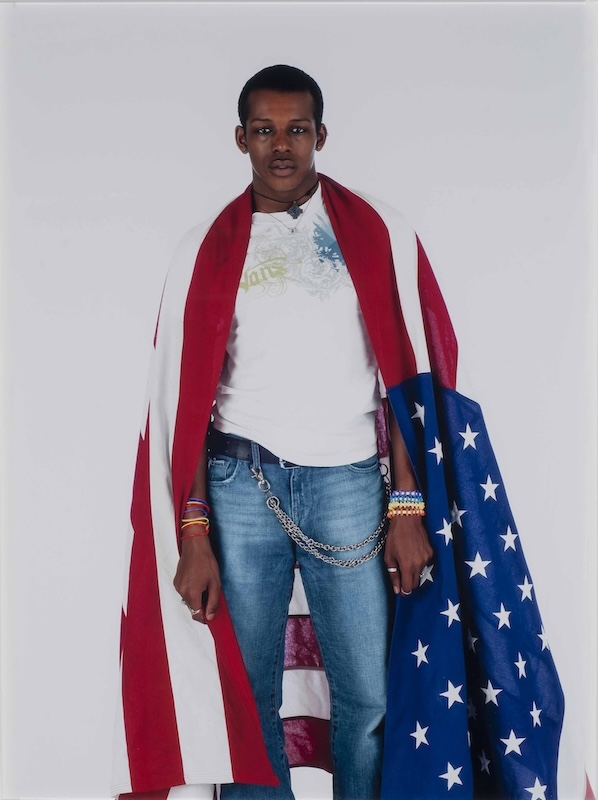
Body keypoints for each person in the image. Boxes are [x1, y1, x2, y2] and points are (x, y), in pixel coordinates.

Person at [113, 64, 565, 800]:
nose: (281, 146)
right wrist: (193, 528)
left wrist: (407, 506)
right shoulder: (204, 250)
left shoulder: (378, 232)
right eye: (264, 130)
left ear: (321, 135)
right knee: (248, 696)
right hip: (239, 485)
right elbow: (184, 401)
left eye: (296, 129)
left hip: (351, 483)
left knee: (371, 697)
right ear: (240, 139)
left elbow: (407, 380)